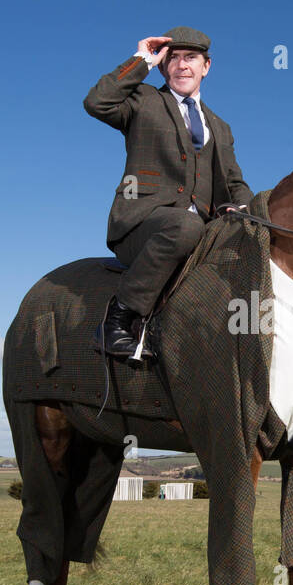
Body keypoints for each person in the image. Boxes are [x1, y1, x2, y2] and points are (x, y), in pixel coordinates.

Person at [83, 26, 254, 357]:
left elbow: (233, 181)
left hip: (202, 231)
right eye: (172, 59)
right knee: (184, 225)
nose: (182, 66)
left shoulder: (220, 127)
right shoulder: (143, 100)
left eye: (191, 58)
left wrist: (244, 209)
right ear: (163, 67)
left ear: (206, 66)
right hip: (141, 227)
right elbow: (97, 102)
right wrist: (142, 59)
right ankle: (117, 322)